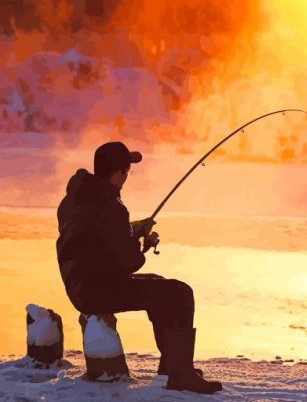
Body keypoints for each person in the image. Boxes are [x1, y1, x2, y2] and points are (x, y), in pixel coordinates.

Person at [56, 141, 222, 394]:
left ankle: (173, 365)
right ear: (119, 173)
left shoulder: (77, 198)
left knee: (159, 284)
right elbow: (130, 262)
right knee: (179, 293)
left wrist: (132, 231)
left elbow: (98, 238)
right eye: (127, 171)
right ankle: (180, 373)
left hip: (80, 282)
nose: (127, 177)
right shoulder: (111, 205)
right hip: (96, 290)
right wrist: (143, 243)